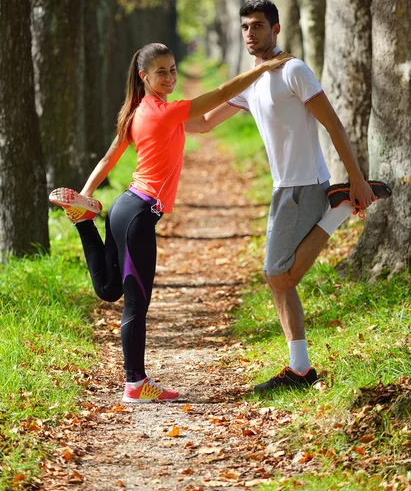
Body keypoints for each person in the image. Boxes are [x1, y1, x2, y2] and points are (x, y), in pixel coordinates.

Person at [49, 42, 291, 403]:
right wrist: (260, 70)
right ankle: (135, 383)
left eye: (173, 69)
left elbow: (206, 123)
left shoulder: (138, 112)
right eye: (161, 71)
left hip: (122, 209)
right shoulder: (164, 112)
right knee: (136, 302)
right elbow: (219, 93)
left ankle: (84, 221)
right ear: (144, 76)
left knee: (109, 290)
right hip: (137, 217)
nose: (170, 76)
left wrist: (86, 195)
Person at [185, 0, 391, 393]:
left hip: (305, 184)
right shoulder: (253, 79)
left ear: (276, 29)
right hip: (283, 188)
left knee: (278, 275)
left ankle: (340, 207)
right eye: (245, 26)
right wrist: (157, 116)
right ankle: (300, 368)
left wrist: (357, 179)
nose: (250, 33)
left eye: (258, 26)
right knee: (278, 278)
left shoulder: (293, 70)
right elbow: (207, 123)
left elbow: (334, 125)